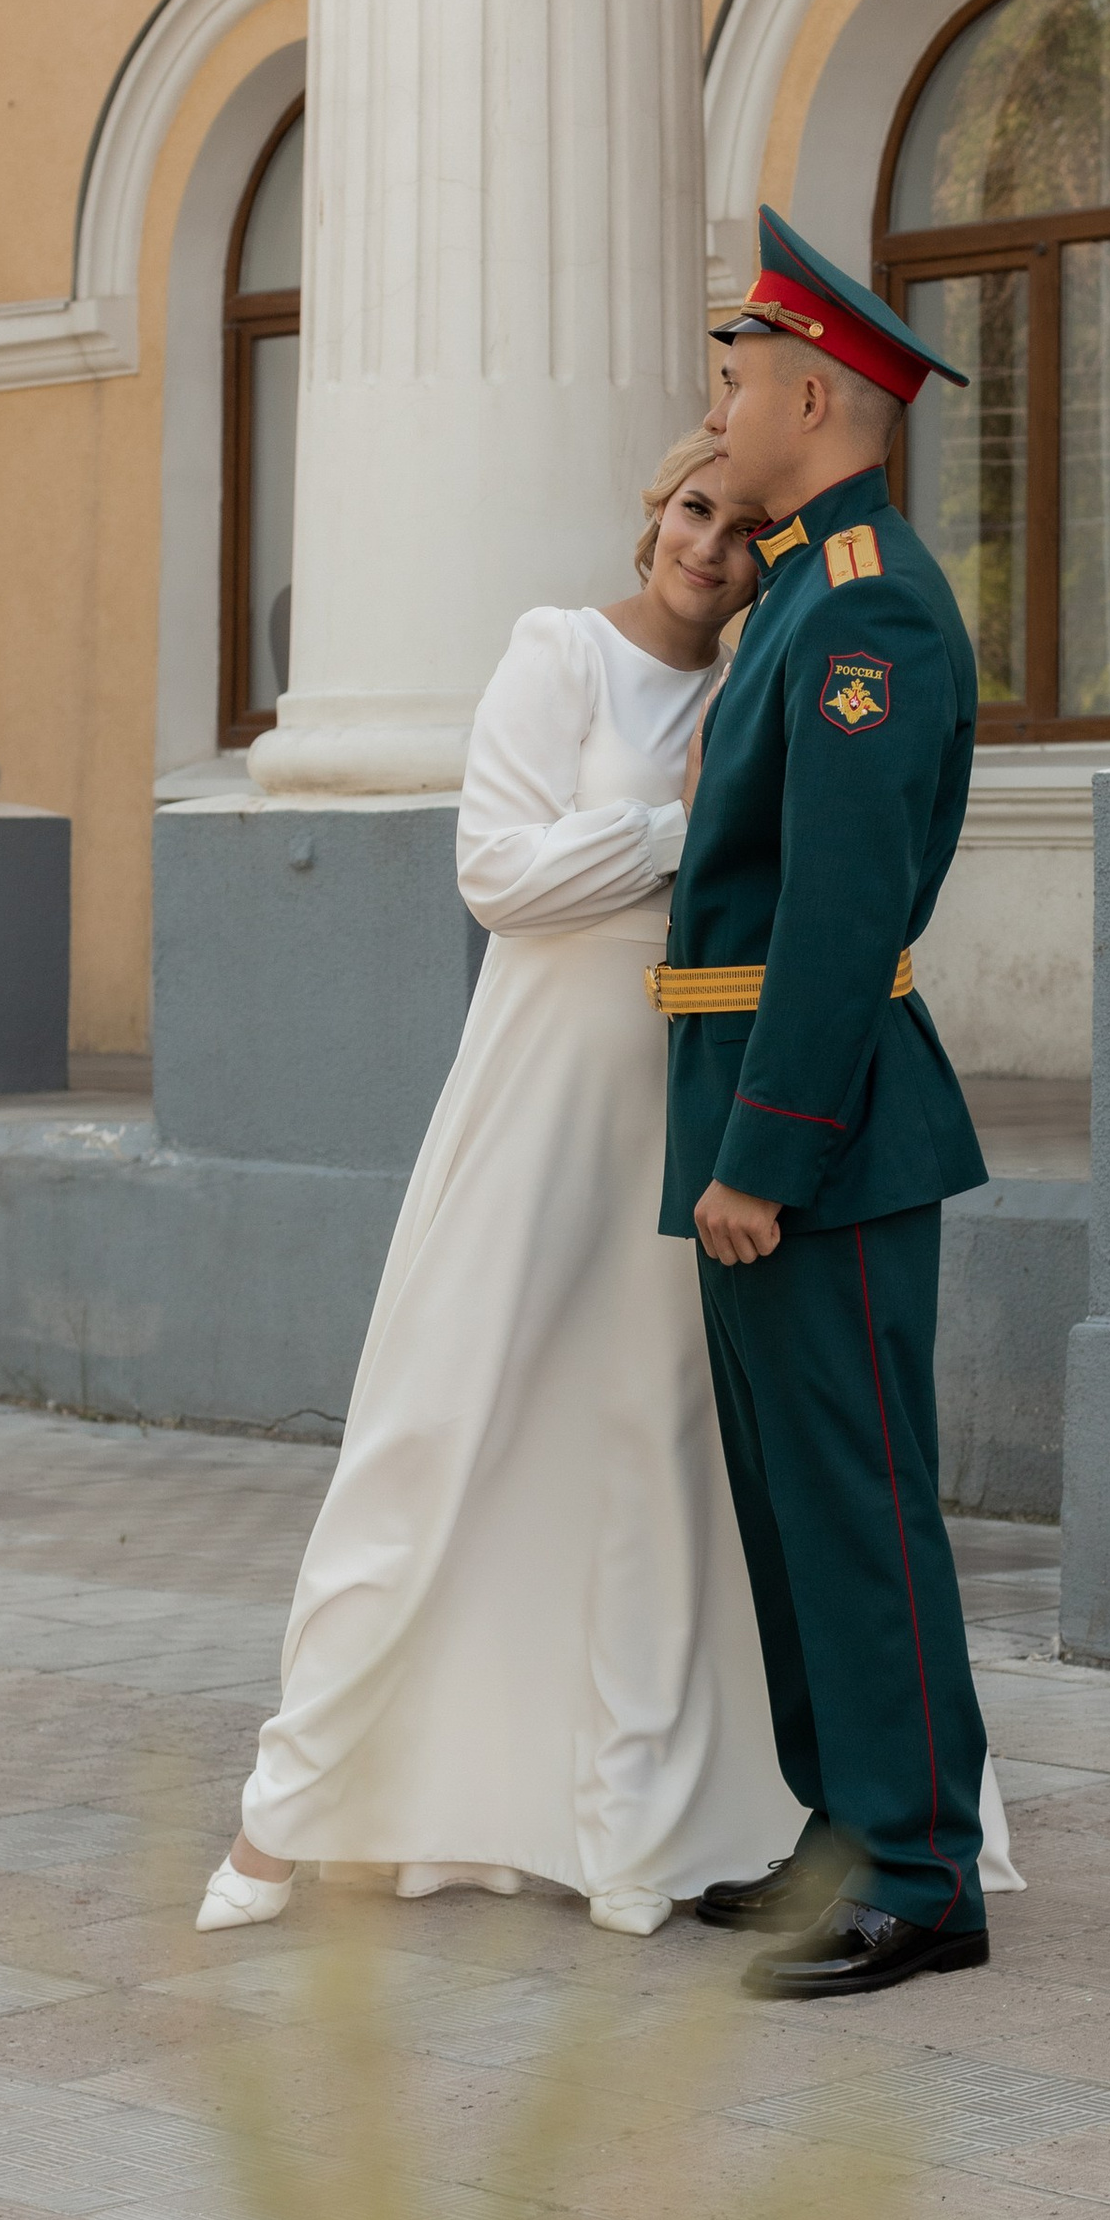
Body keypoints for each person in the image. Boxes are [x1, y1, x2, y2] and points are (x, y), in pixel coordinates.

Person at [195, 436, 798, 1938]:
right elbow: (501, 876)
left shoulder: (751, 694)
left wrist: (683, 837)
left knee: (650, 1444)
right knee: (438, 1419)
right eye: (695, 510)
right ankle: (285, 1815)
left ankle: (628, 1827)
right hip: (532, 1099)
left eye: (743, 530)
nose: (709, 547)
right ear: (655, 511)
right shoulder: (560, 654)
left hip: (670, 1103)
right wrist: (681, 828)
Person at [661, 203, 1002, 2003]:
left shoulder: (867, 606)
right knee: (793, 1505)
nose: (716, 413)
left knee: (858, 1506)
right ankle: (845, 1830)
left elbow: (841, 908)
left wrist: (767, 1149)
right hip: (762, 1108)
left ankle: (924, 1871)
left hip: (826, 1129)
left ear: (809, 395)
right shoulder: (800, 587)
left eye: (736, 383)